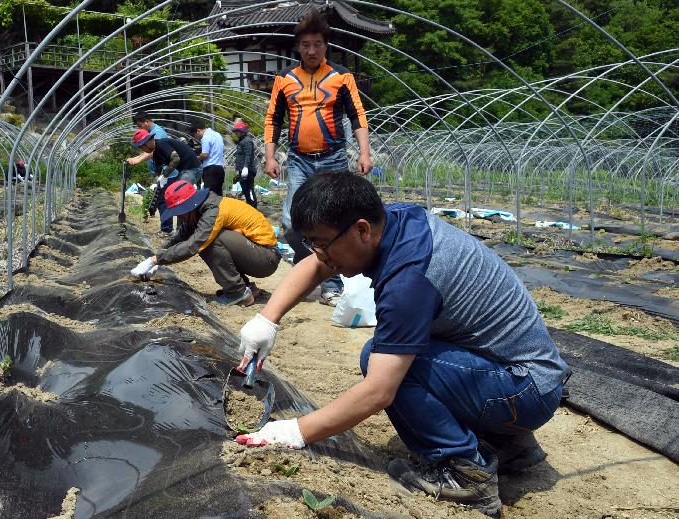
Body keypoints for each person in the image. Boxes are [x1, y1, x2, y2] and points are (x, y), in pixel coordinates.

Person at [233, 171, 570, 516]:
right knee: (391, 356)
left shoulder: (408, 279)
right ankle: (509, 445)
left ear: (362, 229)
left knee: (384, 364)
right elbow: (319, 266)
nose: (318, 253)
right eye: (310, 243)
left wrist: (295, 431)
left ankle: (468, 474)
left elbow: (379, 391)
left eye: (321, 242)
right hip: (518, 377)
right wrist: (266, 320)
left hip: (523, 390)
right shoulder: (395, 221)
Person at [263, 8, 373, 307]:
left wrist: (364, 151)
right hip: (299, 160)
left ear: (326, 46)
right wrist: (270, 157)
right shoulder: (284, 79)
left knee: (333, 220)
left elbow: (357, 115)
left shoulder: (341, 77)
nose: (311, 50)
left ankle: (331, 285)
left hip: (334, 158)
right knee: (289, 220)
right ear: (298, 47)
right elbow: (273, 118)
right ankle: (312, 266)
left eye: (318, 45)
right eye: (306, 45)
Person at [130, 180, 280, 306]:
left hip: (267, 258)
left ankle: (238, 293)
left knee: (210, 241)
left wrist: (155, 260)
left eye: (180, 213)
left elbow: (194, 245)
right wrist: (157, 258)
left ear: (189, 206)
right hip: (254, 253)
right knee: (210, 238)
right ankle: (245, 288)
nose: (180, 218)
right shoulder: (199, 210)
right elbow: (180, 237)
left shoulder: (213, 211)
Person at [134, 112, 178, 235]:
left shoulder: (158, 133)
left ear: (146, 122)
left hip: (168, 173)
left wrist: (137, 160)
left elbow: (153, 152)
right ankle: (166, 228)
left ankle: (167, 229)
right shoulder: (152, 133)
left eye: (140, 125)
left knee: (164, 200)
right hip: (162, 174)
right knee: (161, 200)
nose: (140, 129)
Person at [190, 121, 225, 196]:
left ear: (198, 131)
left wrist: (197, 158)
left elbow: (205, 155)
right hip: (220, 168)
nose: (195, 138)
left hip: (210, 169)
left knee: (209, 195)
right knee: (218, 195)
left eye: (194, 135)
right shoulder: (217, 134)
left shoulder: (205, 137)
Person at [231, 119, 258, 208]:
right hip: (242, 170)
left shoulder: (247, 141)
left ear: (242, 131)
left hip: (248, 170)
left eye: (237, 131)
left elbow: (248, 155)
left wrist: (246, 167)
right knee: (245, 189)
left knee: (249, 189)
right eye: (235, 131)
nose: (236, 133)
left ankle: (253, 207)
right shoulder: (241, 141)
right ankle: (251, 206)